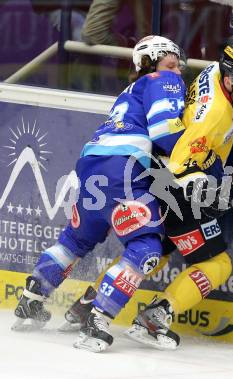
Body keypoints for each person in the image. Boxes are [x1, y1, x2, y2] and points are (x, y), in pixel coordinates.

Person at [62, 42, 233, 351]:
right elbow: (183, 158)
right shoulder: (215, 116)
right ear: (229, 80)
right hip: (179, 188)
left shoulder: (217, 72)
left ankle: (89, 301)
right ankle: (155, 317)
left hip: (158, 180)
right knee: (218, 263)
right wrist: (209, 182)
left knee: (156, 252)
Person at [12, 35, 186, 353]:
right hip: (123, 170)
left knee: (75, 240)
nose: (177, 71)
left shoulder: (128, 92)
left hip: (92, 164)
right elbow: (166, 133)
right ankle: (98, 320)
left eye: (178, 65)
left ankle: (31, 300)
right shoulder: (163, 81)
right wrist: (192, 160)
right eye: (171, 63)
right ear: (151, 64)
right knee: (147, 247)